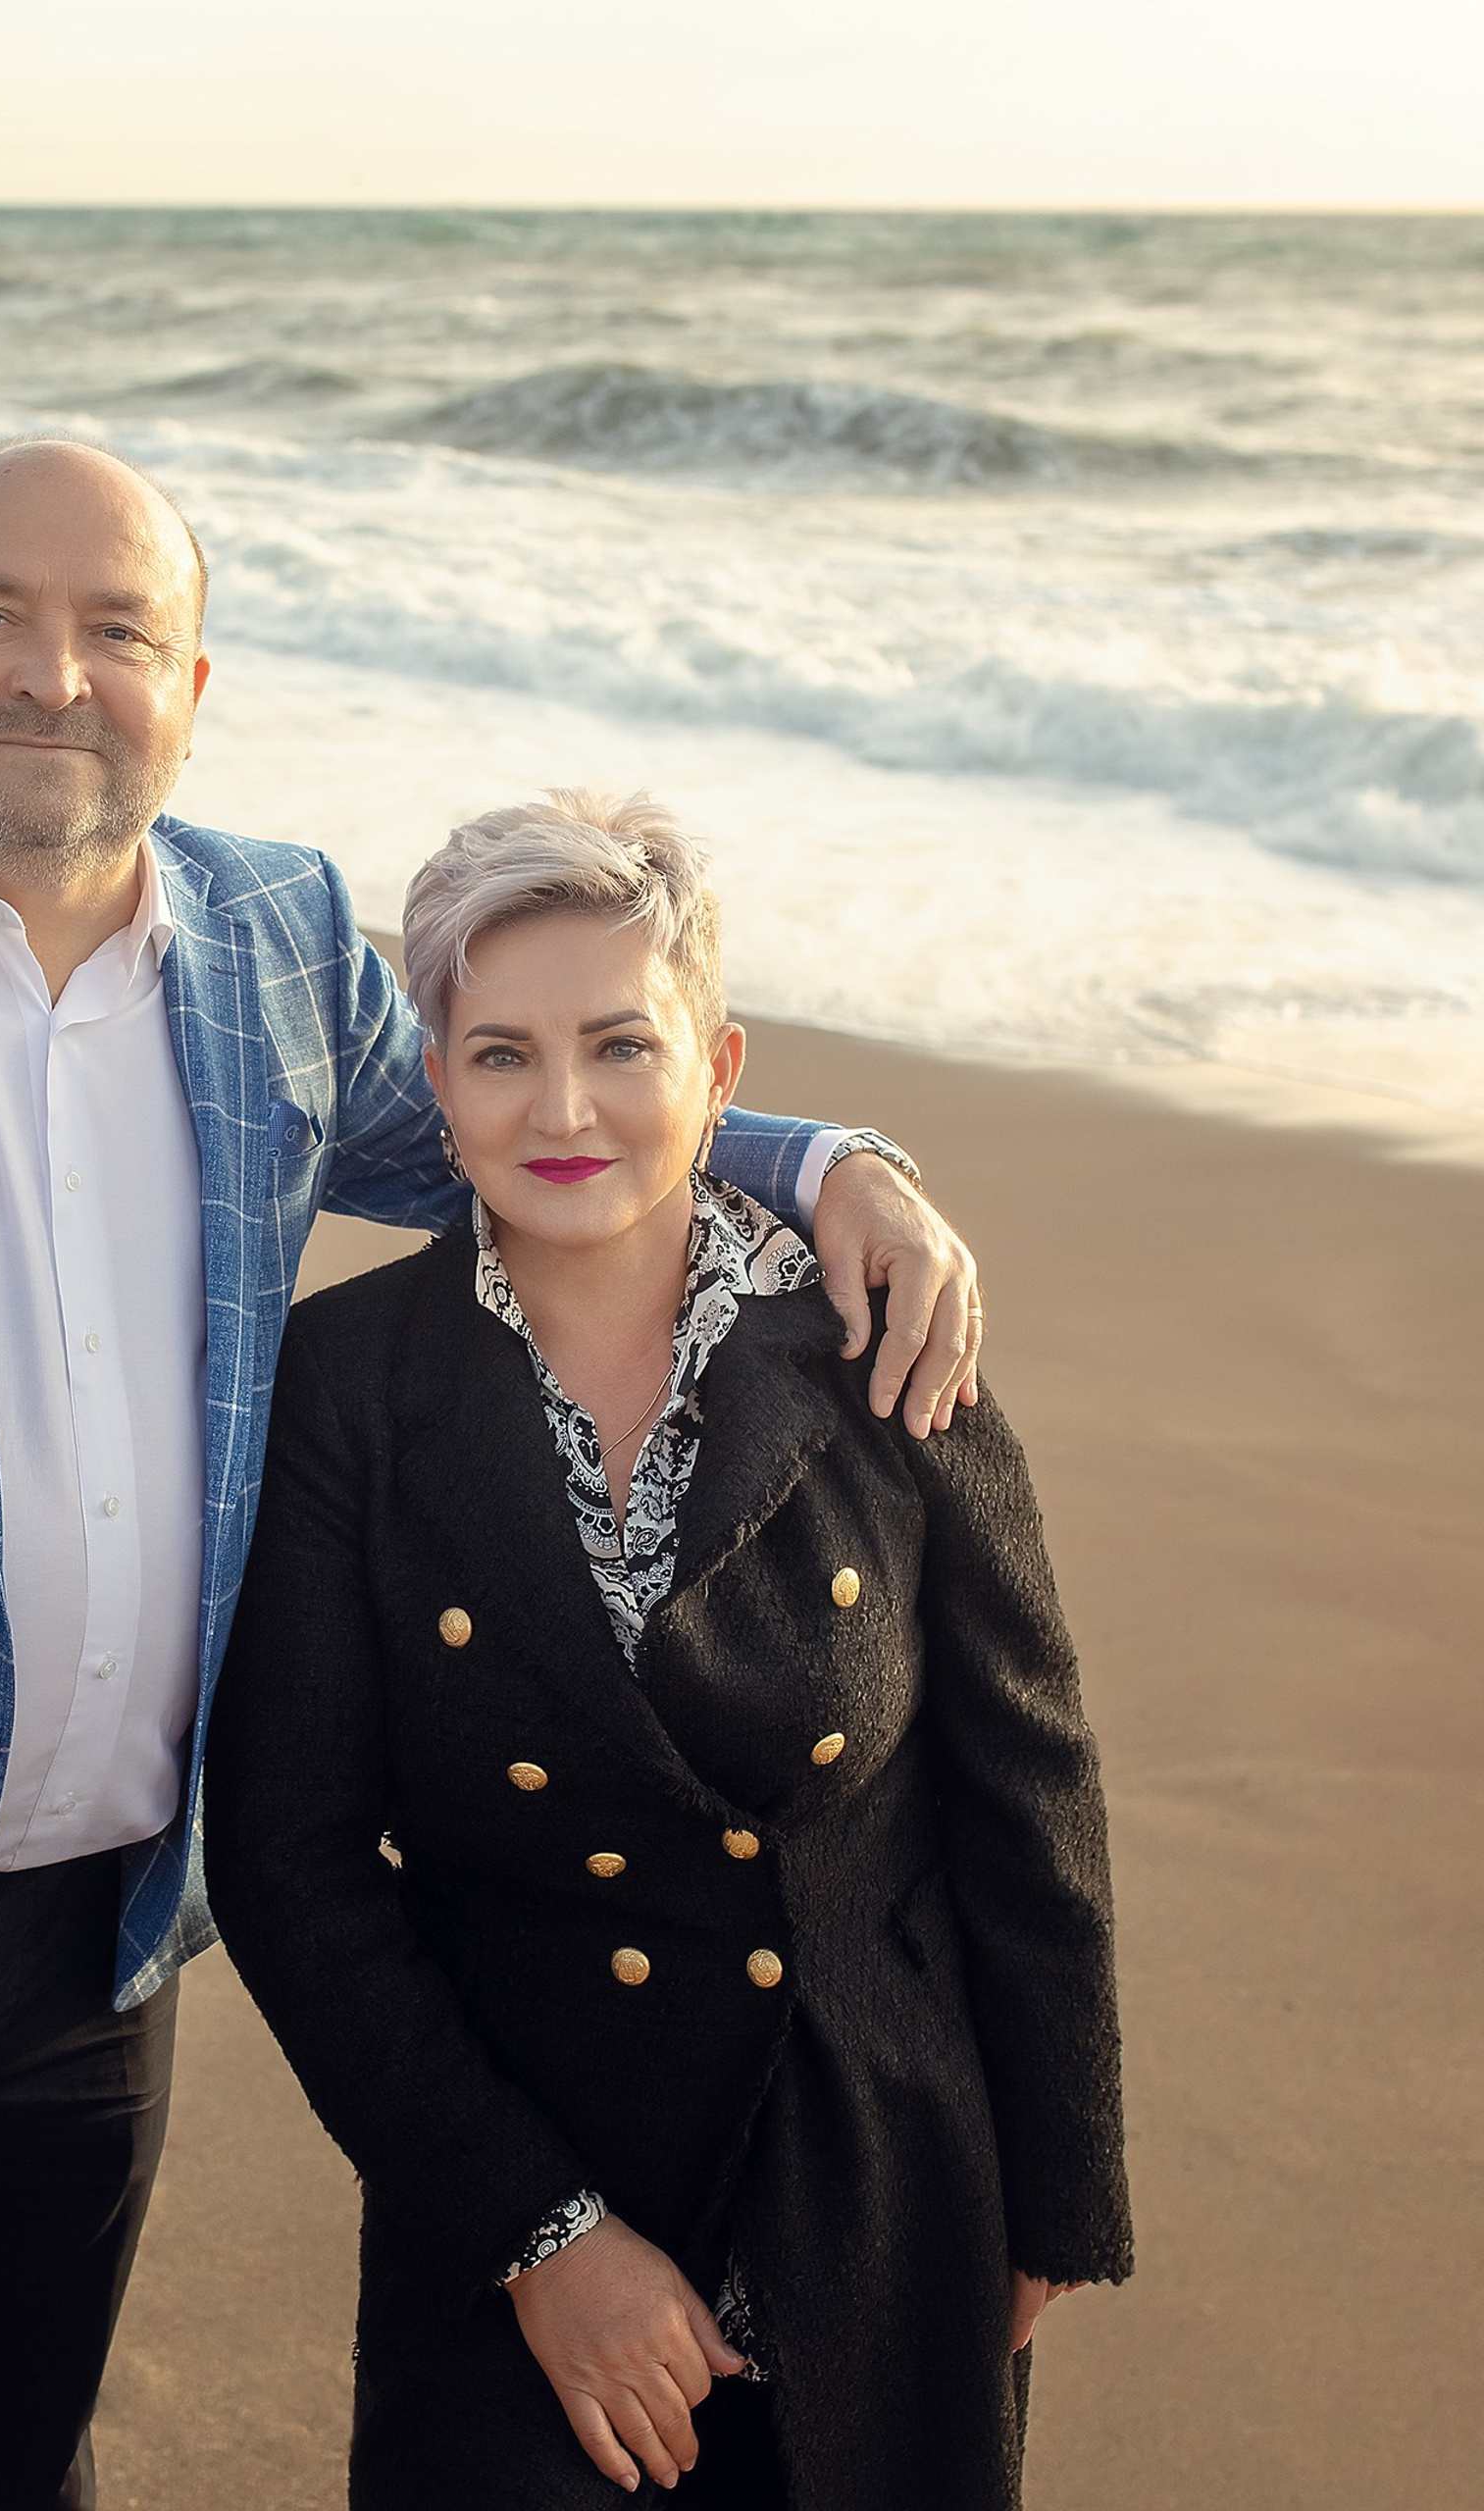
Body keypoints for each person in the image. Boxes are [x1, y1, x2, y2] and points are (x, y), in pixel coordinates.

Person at [0, 440, 985, 2511]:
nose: (48, 676)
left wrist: (819, 1156)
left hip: (101, 1926)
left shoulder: (268, 931)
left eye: (115, 632)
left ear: (193, 681)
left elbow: (517, 1126)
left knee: (8, 2453)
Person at [205, 790, 1131, 2511]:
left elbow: (1030, 1779)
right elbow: (292, 1861)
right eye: (500, 1056)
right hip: (516, 2188)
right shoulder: (346, 1388)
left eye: (621, 1045)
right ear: (436, 1079)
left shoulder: (878, 1337)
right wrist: (537, 2233)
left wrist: (1061, 2187)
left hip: (879, 2182)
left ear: (719, 1069)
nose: (563, 1111)